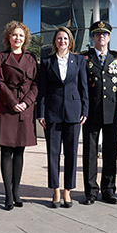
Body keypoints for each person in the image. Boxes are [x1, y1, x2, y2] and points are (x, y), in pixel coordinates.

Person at [38, 26, 88, 208]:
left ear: (70, 42)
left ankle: (68, 190)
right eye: (59, 38)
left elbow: (84, 88)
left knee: (71, 153)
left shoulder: (79, 60)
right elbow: (42, 90)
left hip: (74, 112)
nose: (62, 41)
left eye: (65, 39)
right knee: (53, 154)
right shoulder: (46, 62)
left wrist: (85, 110)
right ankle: (55, 190)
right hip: (52, 112)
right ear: (55, 42)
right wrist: (41, 113)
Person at [0, 20, 38, 210]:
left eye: (21, 35)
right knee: (6, 151)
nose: (17, 38)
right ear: (8, 38)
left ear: (25, 38)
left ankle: (17, 190)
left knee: (20, 151)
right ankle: (8, 194)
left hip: (25, 109)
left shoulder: (32, 58)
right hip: (6, 108)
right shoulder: (1, 57)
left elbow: (36, 84)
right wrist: (13, 102)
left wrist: (26, 103)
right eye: (14, 35)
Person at [81, 19, 117, 205]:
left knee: (110, 152)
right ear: (92, 37)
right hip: (91, 112)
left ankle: (108, 190)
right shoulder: (84, 59)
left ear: (109, 37)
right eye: (98, 34)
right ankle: (90, 191)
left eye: (104, 34)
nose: (101, 37)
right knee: (90, 153)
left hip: (112, 112)